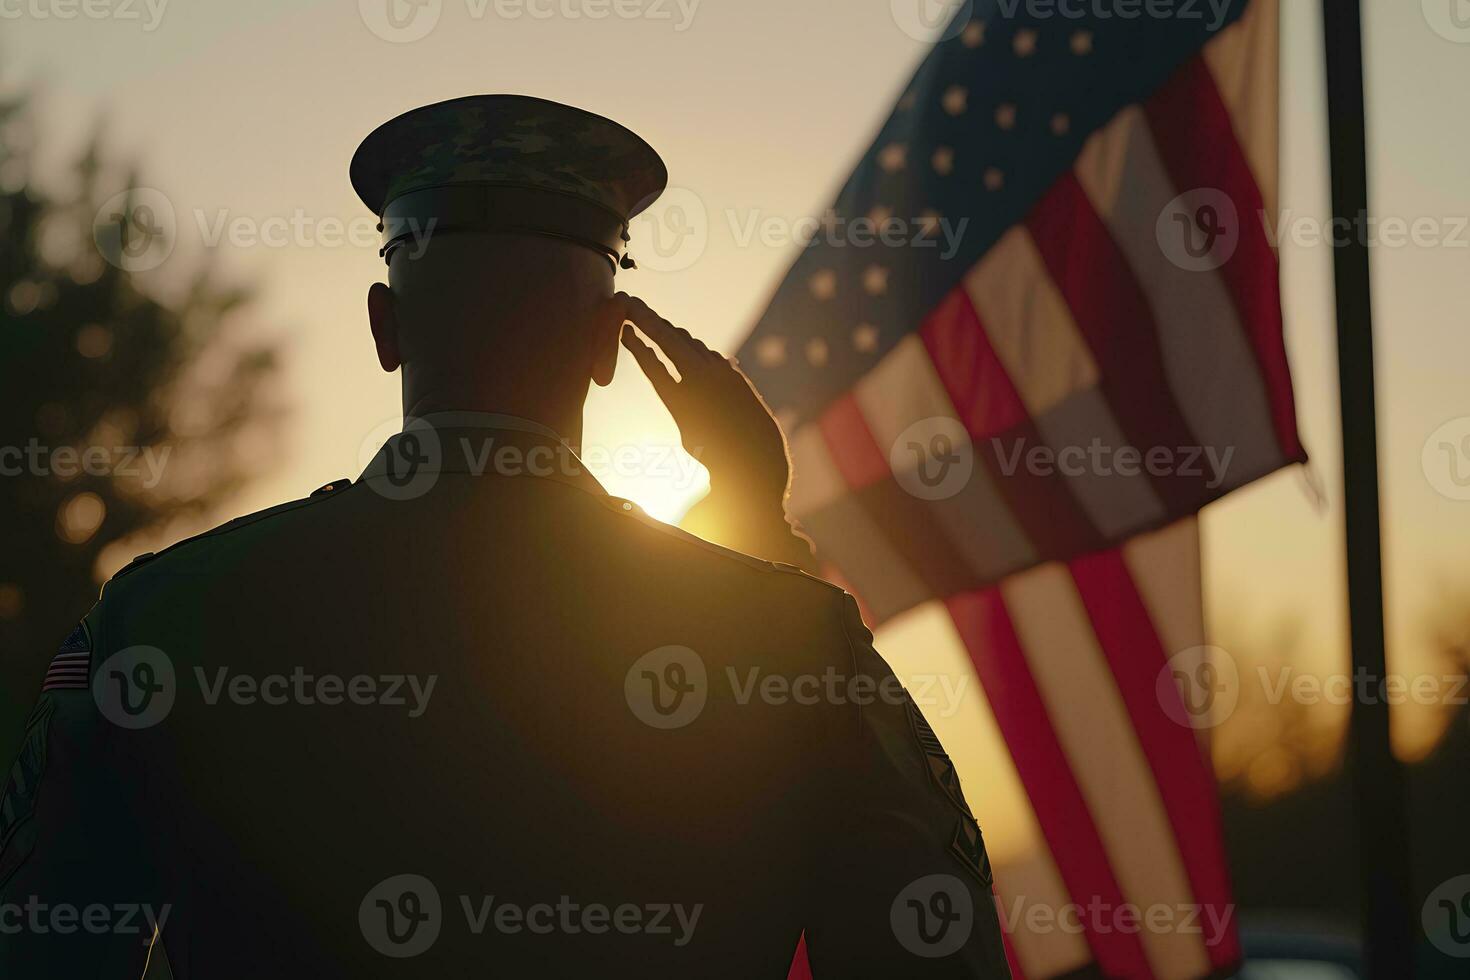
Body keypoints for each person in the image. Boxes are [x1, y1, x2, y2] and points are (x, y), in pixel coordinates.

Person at [0, 95, 1010, 978]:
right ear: (608, 344)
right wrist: (760, 530)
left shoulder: (160, 614)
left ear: (386, 326)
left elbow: (42, 942)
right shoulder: (790, 639)